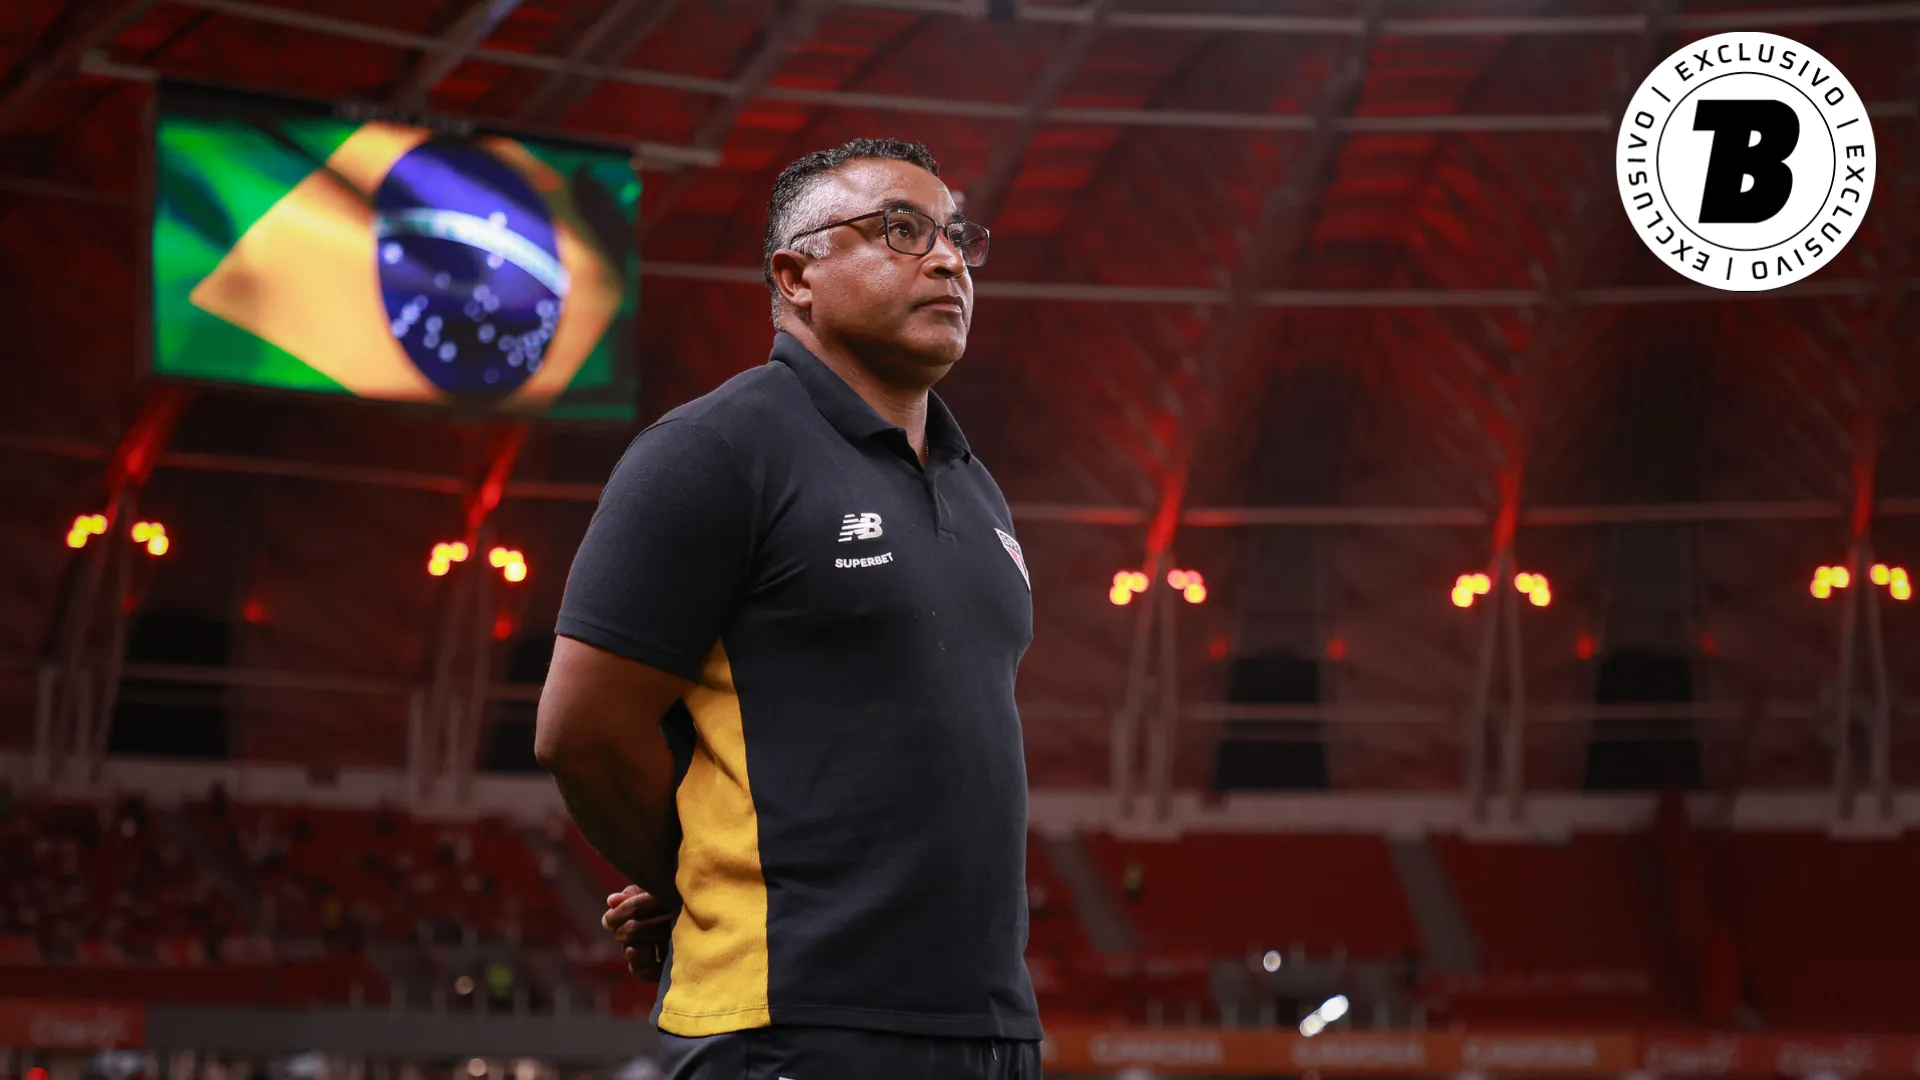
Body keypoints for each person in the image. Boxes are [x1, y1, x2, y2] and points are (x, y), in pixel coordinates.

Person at [537, 138, 1041, 1079]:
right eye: (901, 230)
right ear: (795, 273)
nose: (945, 260)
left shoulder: (978, 490)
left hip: (989, 1030)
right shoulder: (714, 450)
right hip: (792, 1024)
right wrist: (693, 878)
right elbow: (583, 727)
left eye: (956, 238)